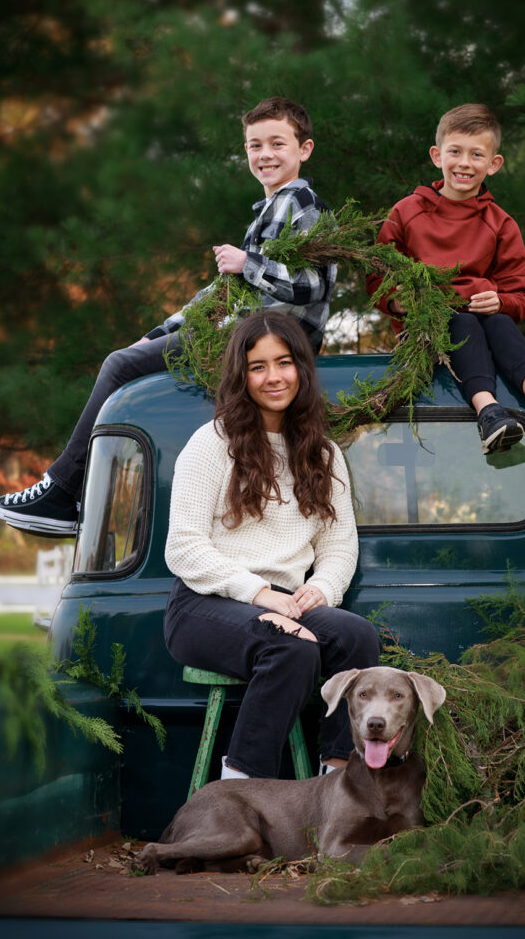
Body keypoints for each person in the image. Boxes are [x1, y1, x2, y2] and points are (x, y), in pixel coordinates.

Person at [0, 97, 337, 535]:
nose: (264, 155)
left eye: (277, 144)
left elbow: (312, 285)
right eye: (254, 145)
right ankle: (96, 502)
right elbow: (221, 295)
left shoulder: (301, 203)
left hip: (276, 342)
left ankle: (60, 491)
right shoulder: (272, 207)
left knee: (120, 365)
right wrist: (156, 335)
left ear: (305, 149)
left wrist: (248, 264)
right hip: (248, 333)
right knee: (132, 359)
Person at [163, 310, 381, 779]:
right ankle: (240, 790)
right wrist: (262, 596)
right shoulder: (212, 444)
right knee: (291, 648)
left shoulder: (322, 452)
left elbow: (339, 546)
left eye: (283, 362)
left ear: (300, 367)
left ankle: (338, 778)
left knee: (356, 636)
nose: (273, 377)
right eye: (258, 366)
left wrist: (319, 590)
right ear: (242, 376)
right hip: (205, 604)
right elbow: (183, 548)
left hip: (286, 603)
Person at [367, 103, 525, 455]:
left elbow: (520, 294)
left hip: (485, 321)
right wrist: (398, 300)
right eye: (455, 151)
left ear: (494, 164)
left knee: (499, 321)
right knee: (463, 323)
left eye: (477, 155)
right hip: (428, 330)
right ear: (436, 155)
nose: (464, 163)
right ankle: (488, 410)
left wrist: (501, 300)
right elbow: (378, 277)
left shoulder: (500, 223)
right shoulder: (407, 212)